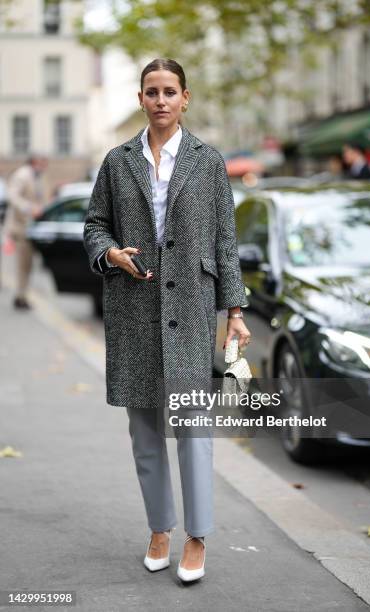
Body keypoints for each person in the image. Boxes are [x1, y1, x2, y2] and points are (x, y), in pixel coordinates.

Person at [83, 58, 251, 583]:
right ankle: (160, 528)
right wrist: (111, 253)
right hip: (134, 308)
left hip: (191, 309)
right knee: (145, 429)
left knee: (193, 427)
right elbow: (94, 226)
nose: (160, 100)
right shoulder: (116, 162)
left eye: (169, 91)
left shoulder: (209, 161)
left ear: (185, 98)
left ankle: (196, 537)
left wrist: (236, 312)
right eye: (151, 91)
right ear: (140, 99)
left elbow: (225, 240)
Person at [3, 154, 48, 309]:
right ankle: (20, 297)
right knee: (24, 265)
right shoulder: (23, 175)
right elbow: (12, 196)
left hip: (29, 228)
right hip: (20, 228)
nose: (45, 166)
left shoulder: (37, 176)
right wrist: (29, 208)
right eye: (43, 162)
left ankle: (22, 295)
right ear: (36, 161)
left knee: (27, 265)